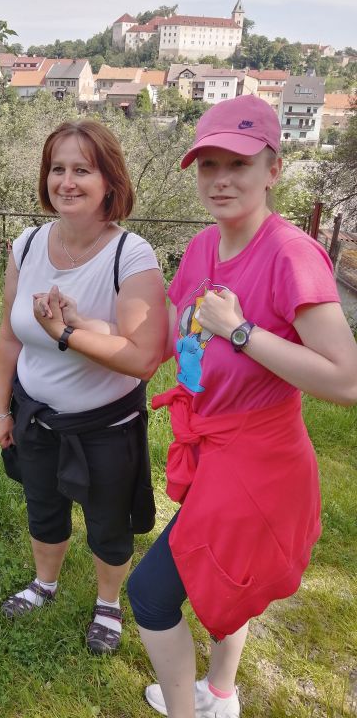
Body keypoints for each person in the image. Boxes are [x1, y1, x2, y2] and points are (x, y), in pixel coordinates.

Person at [126, 95, 357, 717]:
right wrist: (81, 326)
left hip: (259, 463)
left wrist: (241, 331)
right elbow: (166, 334)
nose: (221, 179)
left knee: (151, 595)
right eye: (209, 164)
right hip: (214, 449)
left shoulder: (290, 254)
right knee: (225, 578)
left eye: (239, 163)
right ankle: (221, 694)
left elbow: (347, 380)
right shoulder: (203, 247)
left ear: (273, 170)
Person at [0, 120, 168, 654]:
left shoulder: (130, 254)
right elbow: (8, 336)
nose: (66, 182)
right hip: (36, 415)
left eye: (82, 170)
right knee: (43, 505)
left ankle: (108, 604)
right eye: (57, 169)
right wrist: (0, 410)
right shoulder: (26, 245)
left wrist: (67, 332)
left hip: (105, 425)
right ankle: (44, 584)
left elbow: (143, 358)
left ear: (109, 181)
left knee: (108, 520)